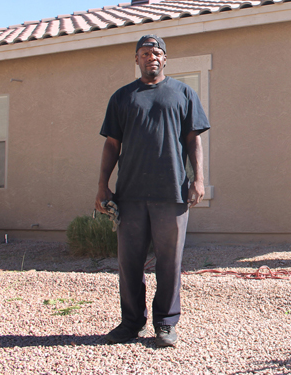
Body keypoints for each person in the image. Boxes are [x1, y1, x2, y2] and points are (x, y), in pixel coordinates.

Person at [95, 34, 210, 347]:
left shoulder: (183, 93)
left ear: (165, 58)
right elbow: (111, 144)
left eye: (156, 52)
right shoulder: (122, 98)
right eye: (145, 53)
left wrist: (198, 179)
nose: (151, 58)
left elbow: (193, 141)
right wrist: (103, 184)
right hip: (130, 195)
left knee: (169, 263)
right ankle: (131, 323)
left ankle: (165, 324)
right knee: (129, 263)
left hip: (172, 193)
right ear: (137, 59)